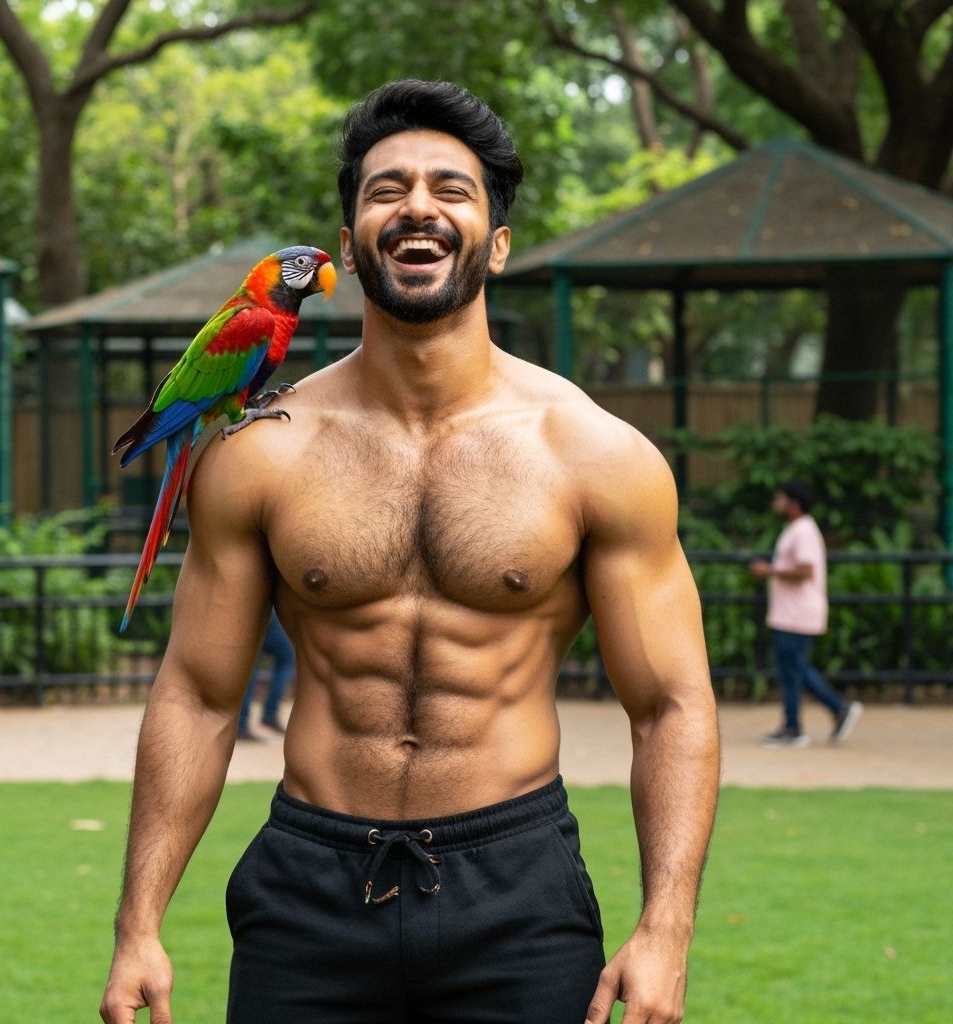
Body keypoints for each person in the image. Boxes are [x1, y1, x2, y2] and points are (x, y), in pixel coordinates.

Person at [100, 80, 720, 1024]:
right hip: (308, 890)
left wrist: (667, 928)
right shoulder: (261, 451)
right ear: (347, 248)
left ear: (496, 244)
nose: (418, 206)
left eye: (452, 189)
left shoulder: (598, 454)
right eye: (386, 189)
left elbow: (672, 703)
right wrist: (137, 923)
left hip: (517, 893)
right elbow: (197, 689)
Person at [749, 480, 863, 747]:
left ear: (794, 502)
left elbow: (806, 570)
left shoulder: (804, 531)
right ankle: (804, 721)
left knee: (794, 669)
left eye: (781, 498)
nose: (776, 502)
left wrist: (769, 571)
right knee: (792, 669)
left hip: (797, 614)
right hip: (788, 613)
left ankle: (808, 721)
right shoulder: (795, 529)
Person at [236, 611, 294, 739]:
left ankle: (241, 723)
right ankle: (268, 714)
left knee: (254, 659)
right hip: (263, 609)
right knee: (287, 657)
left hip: (250, 609)